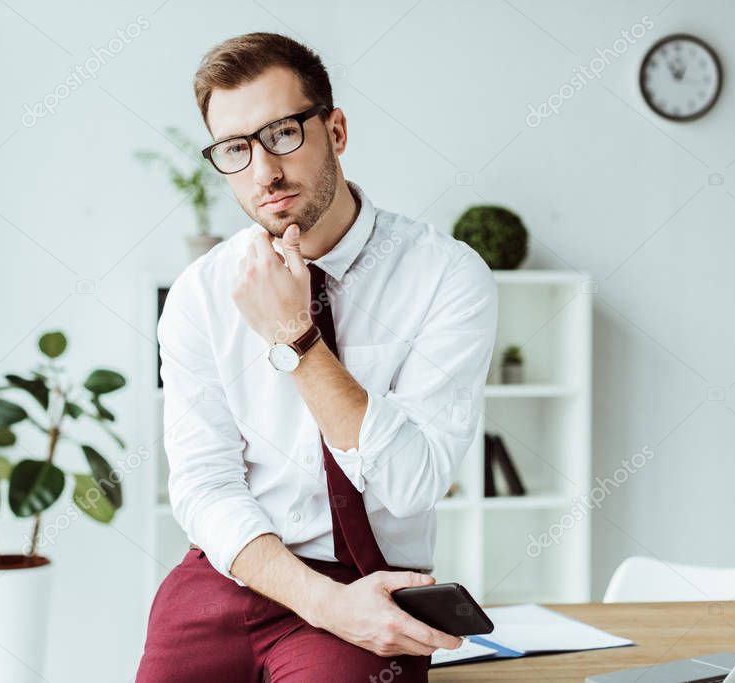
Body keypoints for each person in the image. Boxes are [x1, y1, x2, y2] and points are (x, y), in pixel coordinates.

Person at [136, 31, 498, 682]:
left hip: (366, 575)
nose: (263, 173)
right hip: (236, 564)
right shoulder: (201, 293)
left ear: (335, 129)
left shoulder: (446, 277)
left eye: (282, 135)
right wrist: (325, 605)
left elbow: (412, 483)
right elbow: (203, 483)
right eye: (235, 149)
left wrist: (297, 340)